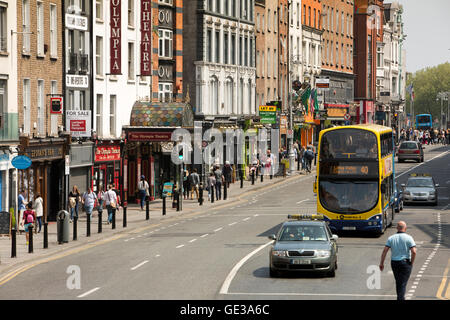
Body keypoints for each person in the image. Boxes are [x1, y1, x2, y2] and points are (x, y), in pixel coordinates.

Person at [379, 221, 417, 300]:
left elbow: (385, 251)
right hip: (405, 263)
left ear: (397, 228)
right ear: (405, 228)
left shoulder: (391, 238)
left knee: (399, 282)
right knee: (402, 283)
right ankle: (400, 298)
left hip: (394, 263)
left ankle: (399, 297)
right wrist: (411, 263)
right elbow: (414, 251)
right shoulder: (409, 238)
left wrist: (381, 263)